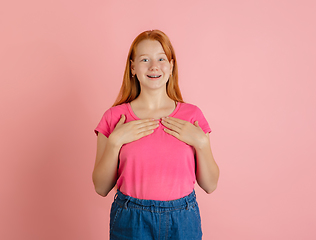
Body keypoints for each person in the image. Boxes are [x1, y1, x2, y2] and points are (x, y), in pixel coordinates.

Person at [92, 29, 220, 240]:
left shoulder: (193, 116)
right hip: (131, 221)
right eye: (144, 59)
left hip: (183, 220)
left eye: (161, 58)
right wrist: (115, 142)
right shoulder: (114, 117)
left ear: (171, 66)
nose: (154, 66)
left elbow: (210, 185)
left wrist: (202, 144)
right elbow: (101, 187)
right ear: (132, 67)